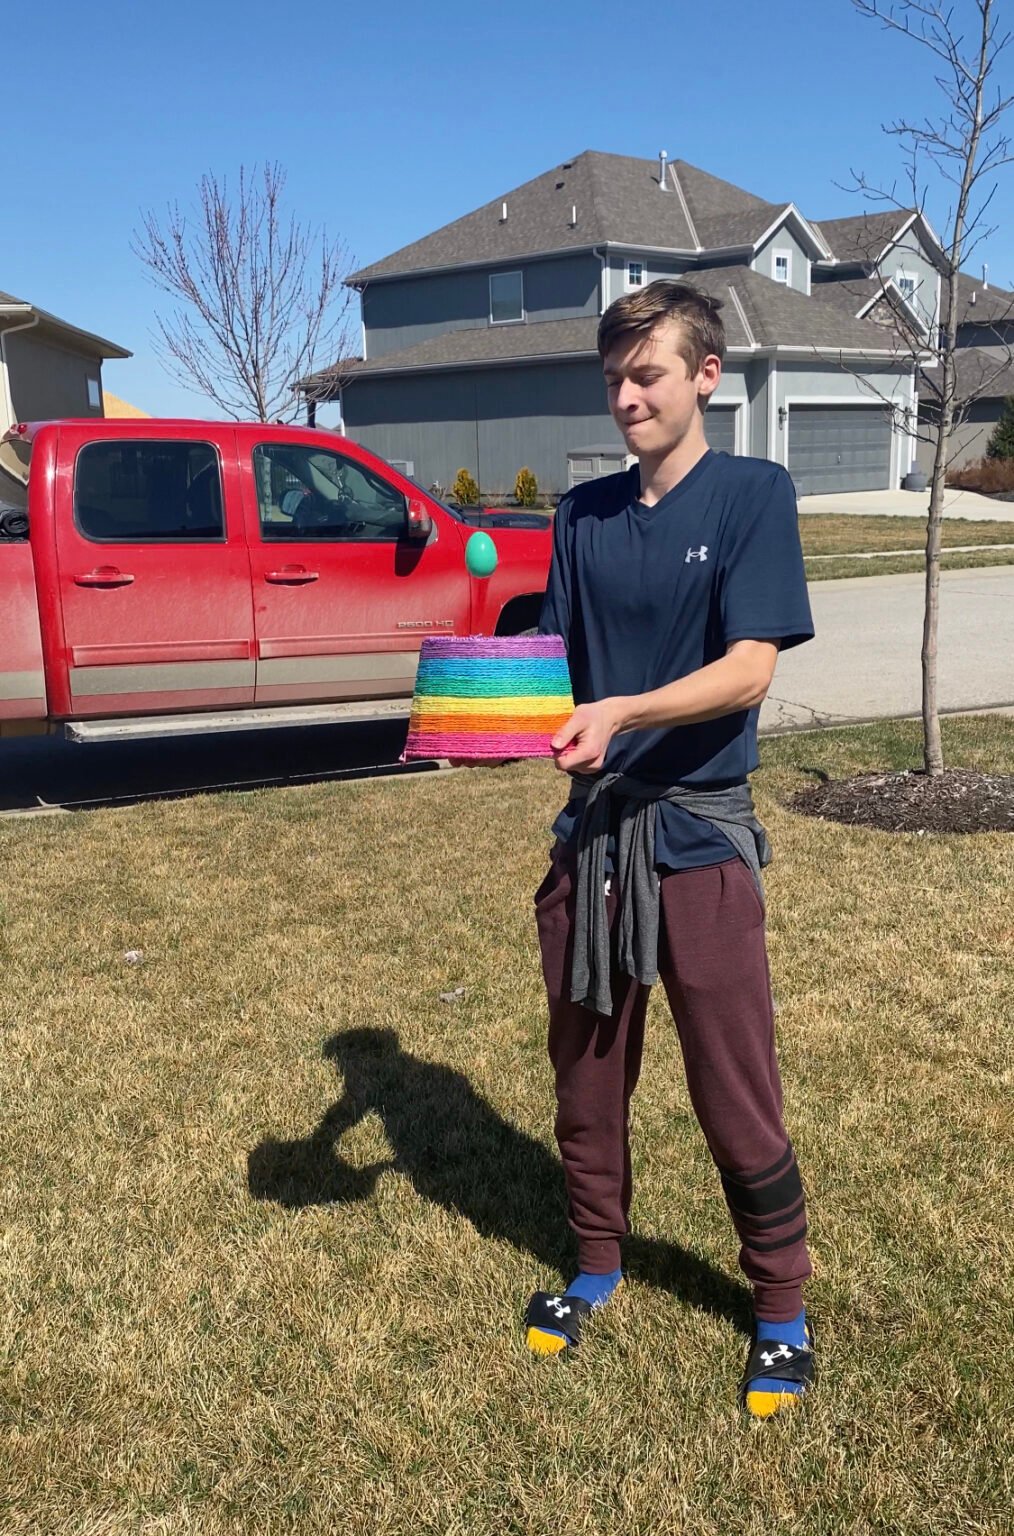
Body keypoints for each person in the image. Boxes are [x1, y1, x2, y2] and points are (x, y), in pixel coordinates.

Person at [525, 279, 816, 1419]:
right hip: (591, 841)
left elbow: (750, 669)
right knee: (587, 1076)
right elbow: (555, 660)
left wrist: (624, 712)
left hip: (698, 833)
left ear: (707, 377)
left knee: (733, 1085)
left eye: (647, 374)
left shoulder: (755, 494)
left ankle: (782, 1313)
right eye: (614, 378)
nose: (627, 396)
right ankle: (597, 1264)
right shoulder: (582, 514)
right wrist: (473, 706)